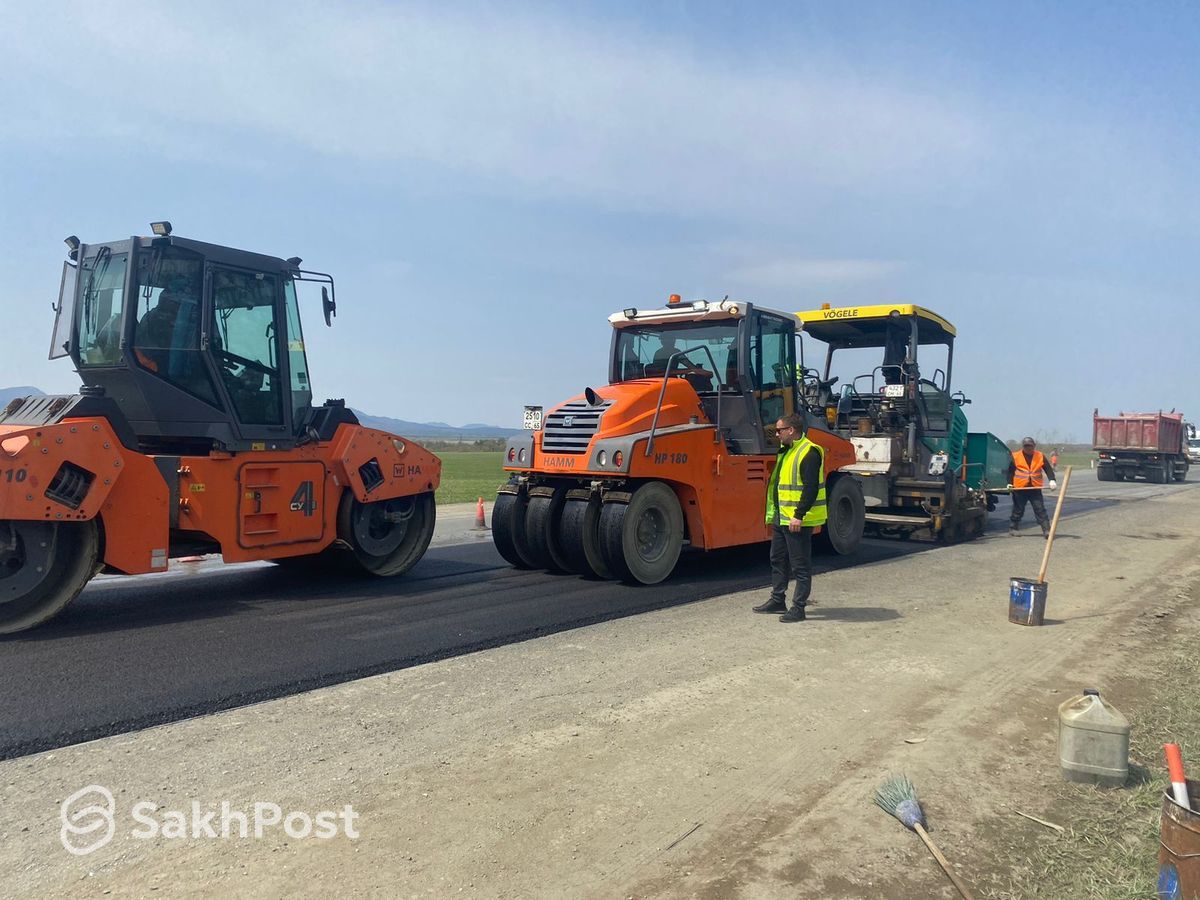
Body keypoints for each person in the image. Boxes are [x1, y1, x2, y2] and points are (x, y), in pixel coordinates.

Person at [753, 412, 827, 623]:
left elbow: (810, 488)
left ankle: (799, 607)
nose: (776, 434)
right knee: (777, 558)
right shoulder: (787, 450)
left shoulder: (809, 452)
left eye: (779, 430)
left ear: (791, 430)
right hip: (782, 517)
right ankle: (778, 599)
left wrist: (799, 515)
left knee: (800, 565)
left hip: (796, 519)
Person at [1007, 436, 1057, 538]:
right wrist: (1009, 483)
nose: (1028, 448)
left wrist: (1052, 480)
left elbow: (1048, 469)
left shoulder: (1040, 456)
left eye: (1030, 446)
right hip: (1020, 488)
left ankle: (1047, 530)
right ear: (1023, 447)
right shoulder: (1015, 456)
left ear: (1034, 446)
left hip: (1034, 488)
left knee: (1040, 509)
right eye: (1026, 446)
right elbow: (1010, 471)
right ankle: (1013, 528)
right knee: (1018, 509)